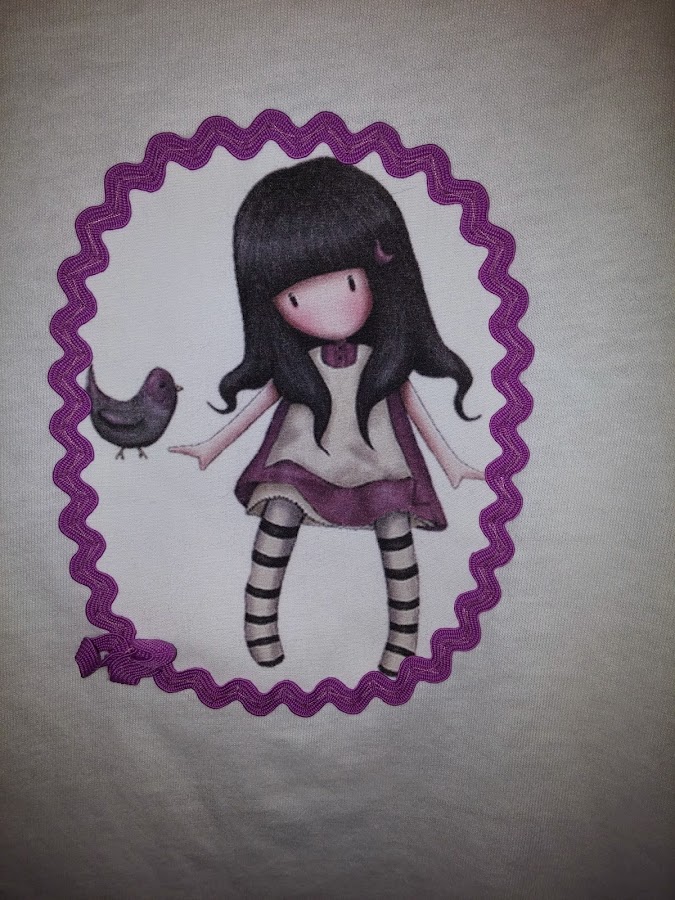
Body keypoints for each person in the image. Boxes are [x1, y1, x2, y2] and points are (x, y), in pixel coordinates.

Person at [171, 157, 484, 677]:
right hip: (303, 454)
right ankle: (260, 631)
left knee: (394, 529)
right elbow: (258, 406)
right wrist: (212, 446)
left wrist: (450, 462)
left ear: (378, 273)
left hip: (375, 456)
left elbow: (416, 411)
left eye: (349, 284)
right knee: (279, 513)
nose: (327, 308)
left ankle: (402, 644)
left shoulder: (382, 364)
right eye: (295, 297)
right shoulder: (298, 367)